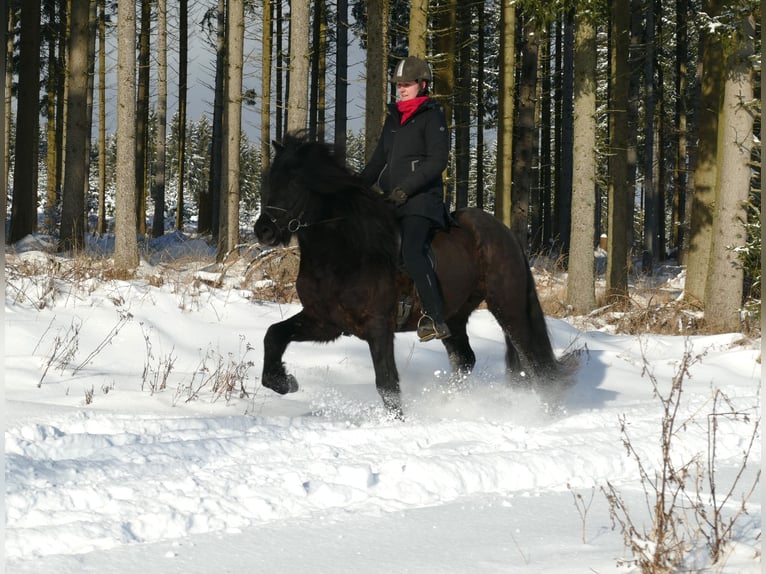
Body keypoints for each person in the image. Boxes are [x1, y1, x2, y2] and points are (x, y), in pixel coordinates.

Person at [361, 55, 451, 342]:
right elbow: (377, 163)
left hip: (422, 200)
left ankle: (435, 318)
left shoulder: (433, 116)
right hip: (393, 201)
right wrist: (352, 189)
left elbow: (437, 161)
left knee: (411, 250)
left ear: (423, 85)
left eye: (407, 84)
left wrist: (406, 189)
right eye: (398, 85)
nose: (401, 89)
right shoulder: (393, 120)